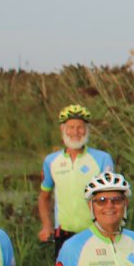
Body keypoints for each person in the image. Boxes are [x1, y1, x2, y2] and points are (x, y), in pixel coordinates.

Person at [37, 103, 115, 244]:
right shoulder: (51, 161)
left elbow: (112, 197)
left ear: (87, 130)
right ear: (62, 129)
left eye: (80, 127)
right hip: (64, 234)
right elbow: (44, 197)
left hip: (95, 232)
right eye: (71, 127)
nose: (76, 132)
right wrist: (47, 226)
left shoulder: (102, 159)